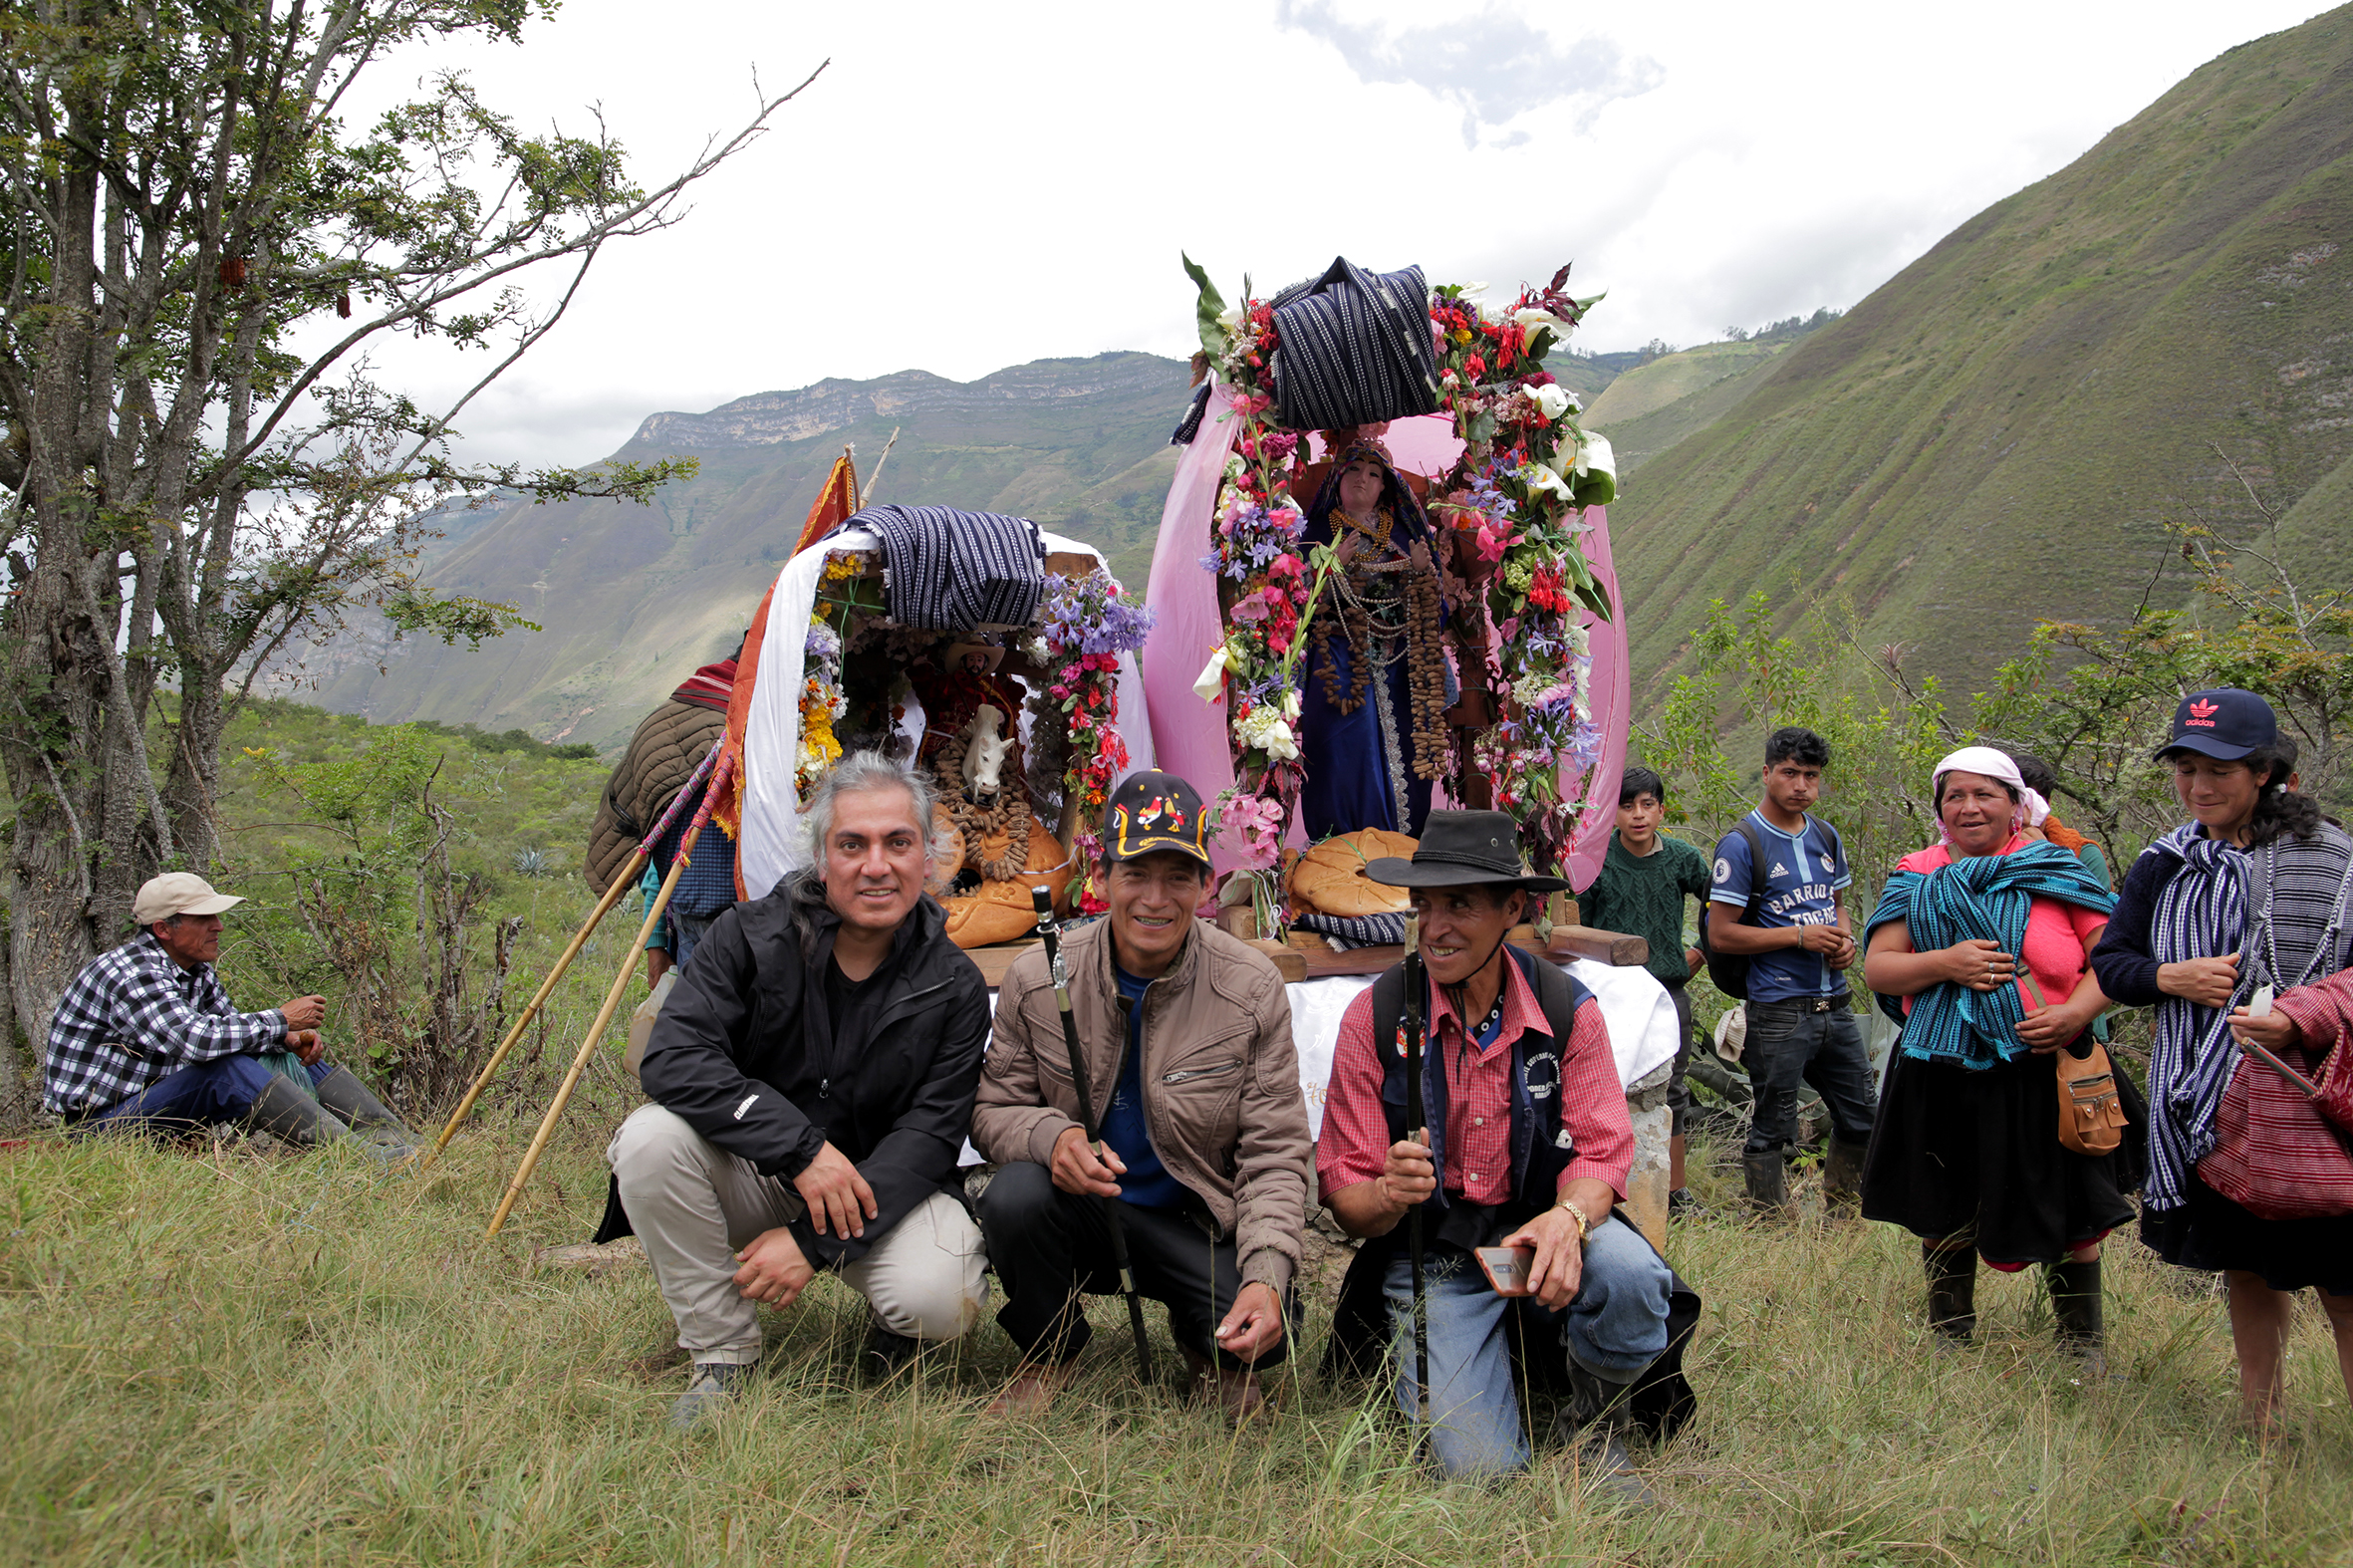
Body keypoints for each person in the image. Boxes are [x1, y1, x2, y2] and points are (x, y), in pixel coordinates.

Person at [606, 751, 992, 1429]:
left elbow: (930, 1138)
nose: (876, 865)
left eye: (898, 843)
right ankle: (722, 1351)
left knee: (941, 1295)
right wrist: (803, 1151)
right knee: (648, 1142)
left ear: (927, 860)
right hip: (755, 1168)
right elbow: (673, 1057)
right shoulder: (749, 936)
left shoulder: (955, 984)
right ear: (822, 859)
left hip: (876, 1189)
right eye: (853, 844)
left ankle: (894, 1328)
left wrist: (811, 1246)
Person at [1317, 811, 1676, 1487]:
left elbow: (1602, 1154)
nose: (1436, 927)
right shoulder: (1375, 1016)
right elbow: (1348, 1203)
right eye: (1425, 907)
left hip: (1543, 1230)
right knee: (1477, 1474)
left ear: (1514, 908)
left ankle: (1594, 1428)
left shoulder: (1569, 1012)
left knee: (1633, 1278)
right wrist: (1387, 1194)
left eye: (1461, 905)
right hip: (1440, 1256)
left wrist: (1569, 1221)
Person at [972, 770, 1310, 1422]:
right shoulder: (1037, 975)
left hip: (1193, 1221)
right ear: (1101, 879)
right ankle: (1049, 1348)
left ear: (1206, 885)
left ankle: (1206, 1346)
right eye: (1136, 873)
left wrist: (1266, 1277)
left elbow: (1276, 1148)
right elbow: (992, 1111)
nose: (1156, 898)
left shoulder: (1250, 987)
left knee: (1273, 1331)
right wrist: (1055, 1139)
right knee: (1014, 1197)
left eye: (1178, 876)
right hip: (1077, 1210)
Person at [2091, 688, 2353, 1431]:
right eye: (2186, 769)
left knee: (2343, 1279)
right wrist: (2166, 977)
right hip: (2205, 1108)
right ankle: (2258, 1420)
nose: (2201, 787)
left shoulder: (2331, 864)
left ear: (2265, 772)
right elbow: (2111, 963)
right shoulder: (2168, 863)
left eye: (2222, 771)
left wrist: (2299, 1017)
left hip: (2311, 1103)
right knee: (2247, 1264)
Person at [1859, 748, 2129, 1357]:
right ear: (1940, 810)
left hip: (2043, 1061)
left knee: (2069, 1203)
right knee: (1944, 1200)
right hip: (1941, 1065)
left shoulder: (2057, 869)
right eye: (1954, 795)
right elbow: (1880, 968)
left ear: (2016, 804)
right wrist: (1945, 963)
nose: (1969, 806)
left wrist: (2075, 1013)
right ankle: (1950, 1338)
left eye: (1985, 793)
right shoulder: (1917, 874)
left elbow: (2111, 961)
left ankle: (2081, 1344)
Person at [44, 873, 416, 1153]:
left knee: (279, 1050)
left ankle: (392, 1138)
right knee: (224, 1070)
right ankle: (358, 1158)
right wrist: (280, 1019)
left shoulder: (194, 970)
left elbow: (231, 1032)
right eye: (204, 919)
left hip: (150, 1105)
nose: (218, 926)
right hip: (98, 1129)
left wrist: (284, 1039)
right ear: (163, 929)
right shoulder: (129, 972)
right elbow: (196, 1041)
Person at [1704, 726, 1874, 1213]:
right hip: (1778, 1008)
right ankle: (1769, 1222)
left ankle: (1842, 1217)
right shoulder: (1743, 843)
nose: (1801, 785)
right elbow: (1721, 934)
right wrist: (1797, 937)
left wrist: (1844, 941)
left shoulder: (1826, 836)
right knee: (1774, 1124)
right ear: (1767, 773)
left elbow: (1838, 904)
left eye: (1811, 776)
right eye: (1790, 773)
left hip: (1834, 1004)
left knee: (1861, 1115)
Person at [1297, 430, 1451, 840]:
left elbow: (1434, 611)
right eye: (1353, 471)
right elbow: (1296, 609)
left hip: (1398, 665)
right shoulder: (1313, 537)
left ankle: (1402, 845)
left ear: (1385, 487)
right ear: (1337, 479)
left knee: (1407, 747)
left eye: (1372, 473)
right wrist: (1331, 571)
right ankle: (1341, 846)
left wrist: (1420, 571)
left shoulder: (1403, 538)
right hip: (1338, 663)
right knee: (1341, 752)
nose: (1362, 479)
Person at [1573, 766, 1712, 1215]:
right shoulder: (1597, 862)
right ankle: (1607, 1186)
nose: (1638, 815)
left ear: (1660, 809)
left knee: (1672, 1088)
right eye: (1627, 806)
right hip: (1610, 994)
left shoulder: (1682, 859)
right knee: (1604, 1088)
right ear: (1612, 813)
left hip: (1669, 992)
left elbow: (1724, 904)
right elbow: (1578, 929)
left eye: (1647, 805)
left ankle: (1675, 1193)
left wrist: (1702, 951)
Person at [2009, 753, 2113, 892]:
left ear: (2048, 803)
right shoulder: (1978, 850)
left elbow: (2100, 907)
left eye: (2031, 804)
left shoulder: (2083, 853)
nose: (2024, 816)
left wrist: (2050, 860)